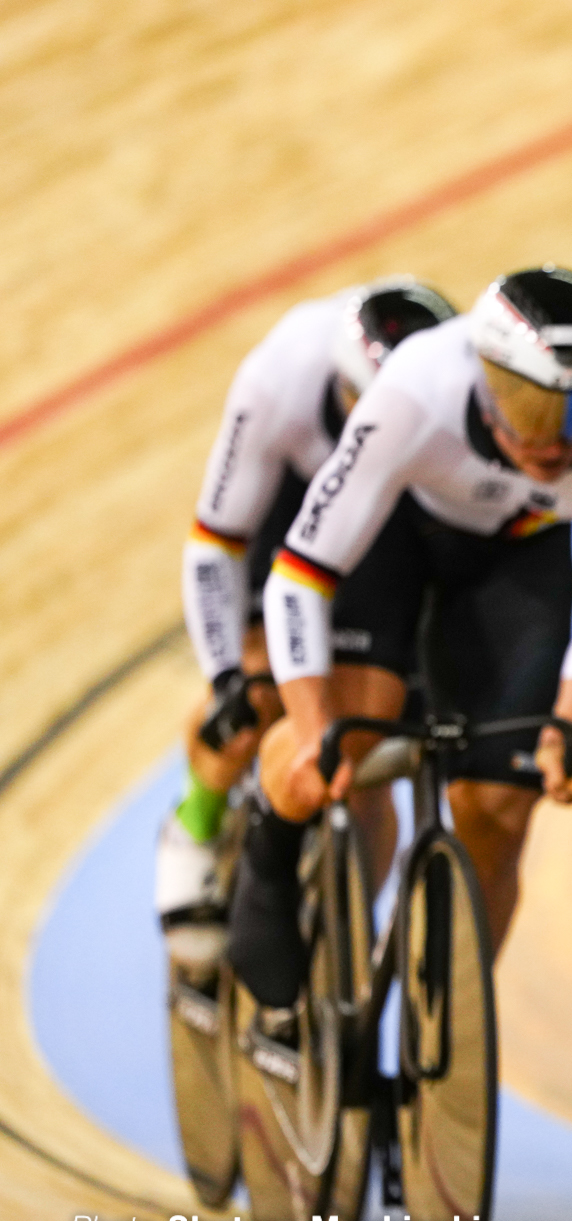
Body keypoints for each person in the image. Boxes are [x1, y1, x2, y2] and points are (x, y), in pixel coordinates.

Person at [225, 265, 572, 1024]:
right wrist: (313, 728)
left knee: (504, 804)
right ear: (485, 375)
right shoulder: (415, 394)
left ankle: (441, 1023)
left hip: (515, 556)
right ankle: (270, 859)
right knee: (354, 725)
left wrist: (568, 728)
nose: (559, 437)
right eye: (534, 406)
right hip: (394, 532)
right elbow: (299, 576)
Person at [159, 278, 457, 973]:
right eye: (362, 408)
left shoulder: (452, 380)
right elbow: (216, 541)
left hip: (390, 518)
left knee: (368, 734)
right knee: (258, 697)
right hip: (289, 505)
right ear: (340, 386)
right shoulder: (280, 378)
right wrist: (227, 673)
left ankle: (341, 930)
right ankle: (196, 824)